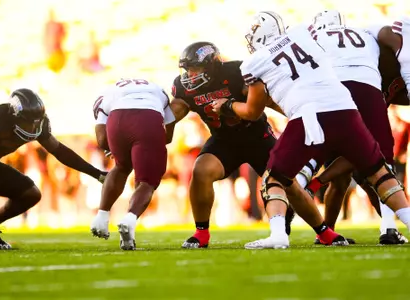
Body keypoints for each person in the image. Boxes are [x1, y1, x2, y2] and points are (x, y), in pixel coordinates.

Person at [212, 11, 410, 248]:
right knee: (379, 171)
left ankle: (278, 234)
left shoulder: (253, 63)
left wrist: (228, 106)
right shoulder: (302, 34)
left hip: (308, 114)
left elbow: (253, 111)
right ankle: (395, 224)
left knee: (274, 178)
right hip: (344, 106)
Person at [171, 41, 327, 250]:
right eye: (187, 69)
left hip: (257, 136)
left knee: (289, 185)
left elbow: (268, 101)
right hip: (223, 140)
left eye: (195, 68)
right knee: (201, 172)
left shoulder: (238, 72)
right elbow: (173, 113)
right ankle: (201, 233)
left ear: (212, 66)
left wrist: (298, 115)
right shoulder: (184, 88)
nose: (190, 74)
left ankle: (324, 231)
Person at [305, 12, 409, 244]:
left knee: (344, 176)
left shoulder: (324, 41)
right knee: (381, 165)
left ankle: (326, 231)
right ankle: (388, 229)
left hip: (334, 96)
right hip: (363, 94)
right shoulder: (376, 44)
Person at [0, 88, 107, 250]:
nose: (32, 126)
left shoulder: (39, 123)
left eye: (36, 121)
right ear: (15, 115)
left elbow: (60, 152)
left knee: (31, 194)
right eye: (28, 121)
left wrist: (97, 174)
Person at [90, 78, 175, 250]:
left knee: (121, 166)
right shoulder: (158, 89)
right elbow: (168, 134)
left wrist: (112, 148)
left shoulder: (107, 93)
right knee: (147, 181)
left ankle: (102, 215)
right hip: (148, 118)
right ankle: (129, 219)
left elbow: (100, 138)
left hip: (117, 119)